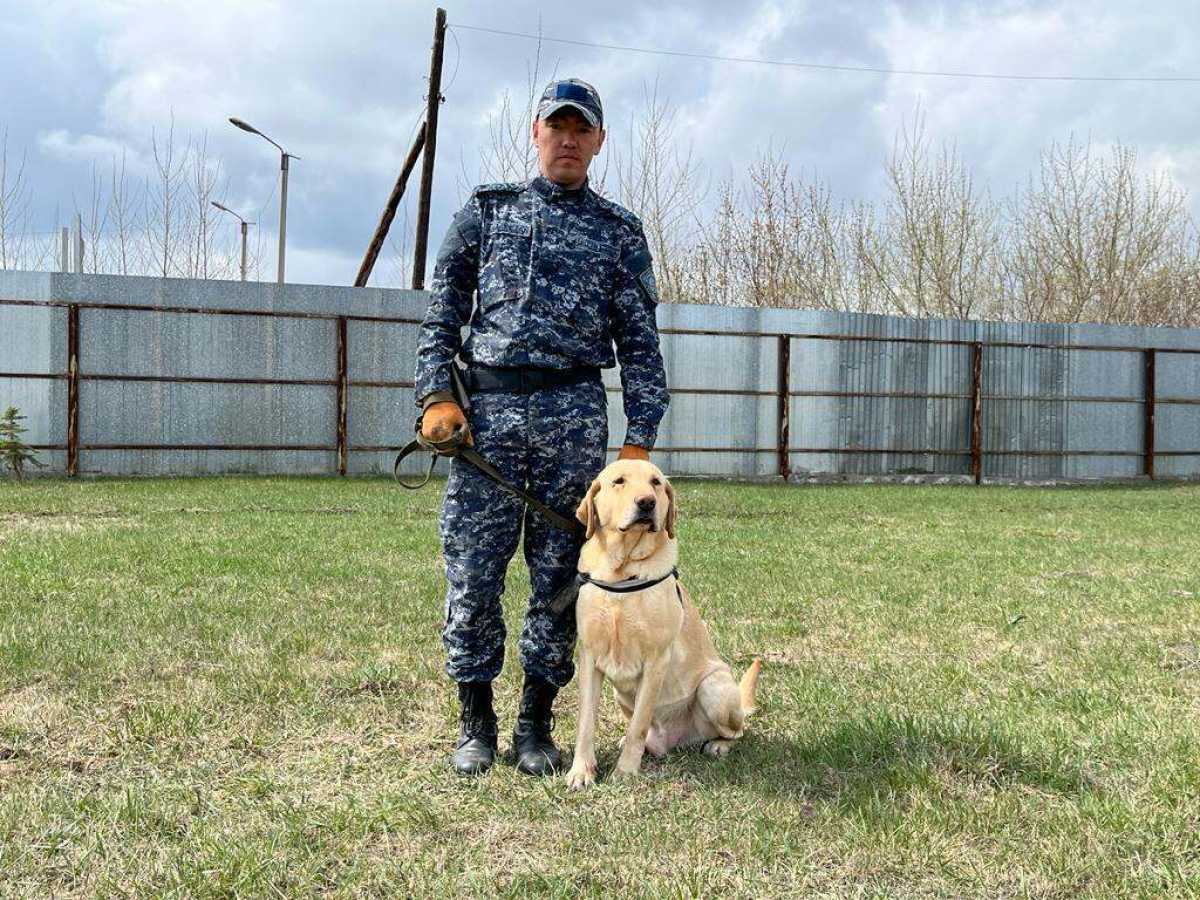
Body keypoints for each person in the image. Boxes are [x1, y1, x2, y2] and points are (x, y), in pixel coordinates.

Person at [412, 77, 670, 777]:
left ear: (598, 142)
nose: (568, 139)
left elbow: (642, 346)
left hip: (572, 416)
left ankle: (534, 726)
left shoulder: (618, 234)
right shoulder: (486, 214)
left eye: (581, 129)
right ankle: (474, 723)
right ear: (536, 133)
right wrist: (437, 395)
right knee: (473, 574)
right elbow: (442, 314)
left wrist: (638, 442)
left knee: (562, 580)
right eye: (556, 126)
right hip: (485, 422)